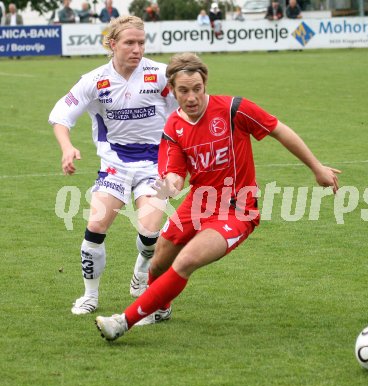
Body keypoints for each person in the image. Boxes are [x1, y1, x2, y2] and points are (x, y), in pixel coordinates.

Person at [95, 52, 341, 341]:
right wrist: (171, 183)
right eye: (183, 91)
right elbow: (174, 173)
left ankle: (125, 321)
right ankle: (160, 307)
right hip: (198, 204)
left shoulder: (234, 109)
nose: (191, 97)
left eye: (197, 89)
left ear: (205, 84)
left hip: (237, 210)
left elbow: (279, 130)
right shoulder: (173, 126)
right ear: (172, 91)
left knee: (186, 260)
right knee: (159, 261)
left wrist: (317, 167)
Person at [48, 16, 177, 316]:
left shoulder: (160, 75)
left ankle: (141, 271)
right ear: (112, 44)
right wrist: (67, 148)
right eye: (129, 43)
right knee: (95, 225)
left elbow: (184, 114)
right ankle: (89, 295)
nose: (136, 49)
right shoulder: (94, 80)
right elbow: (60, 115)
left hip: (154, 165)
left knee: (149, 233)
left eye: (141, 43)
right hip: (115, 164)